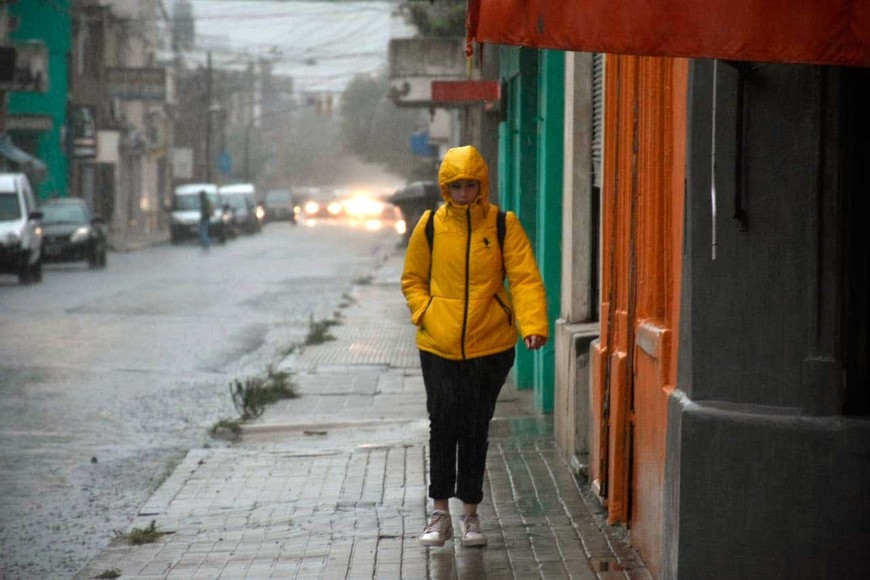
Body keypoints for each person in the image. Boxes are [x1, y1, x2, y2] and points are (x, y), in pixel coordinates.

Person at [401, 145, 548, 548]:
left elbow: (524, 277)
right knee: (442, 422)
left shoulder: (503, 224)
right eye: (456, 185)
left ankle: (471, 515)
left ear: (481, 184)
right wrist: (425, 312)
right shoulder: (430, 225)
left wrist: (533, 323)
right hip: (438, 344)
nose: (464, 192)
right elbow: (412, 278)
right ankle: (439, 513)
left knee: (475, 426)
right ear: (445, 187)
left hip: (490, 344)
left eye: (470, 184)